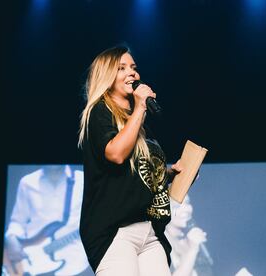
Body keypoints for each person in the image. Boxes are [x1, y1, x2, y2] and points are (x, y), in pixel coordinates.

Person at [78, 45, 182, 276]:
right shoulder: (99, 112)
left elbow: (138, 176)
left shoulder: (139, 122)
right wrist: (141, 107)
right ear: (106, 75)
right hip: (115, 232)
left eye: (134, 68)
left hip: (150, 231)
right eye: (122, 68)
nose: (133, 73)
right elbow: (116, 154)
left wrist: (170, 174)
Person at [3, 165, 90, 276]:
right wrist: (11, 238)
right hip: (31, 260)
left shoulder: (84, 180)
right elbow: (18, 221)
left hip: (76, 264)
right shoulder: (27, 182)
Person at [165, 193, 212, 276]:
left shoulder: (193, 238)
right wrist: (192, 250)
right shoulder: (159, 246)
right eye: (176, 206)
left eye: (187, 202)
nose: (186, 209)